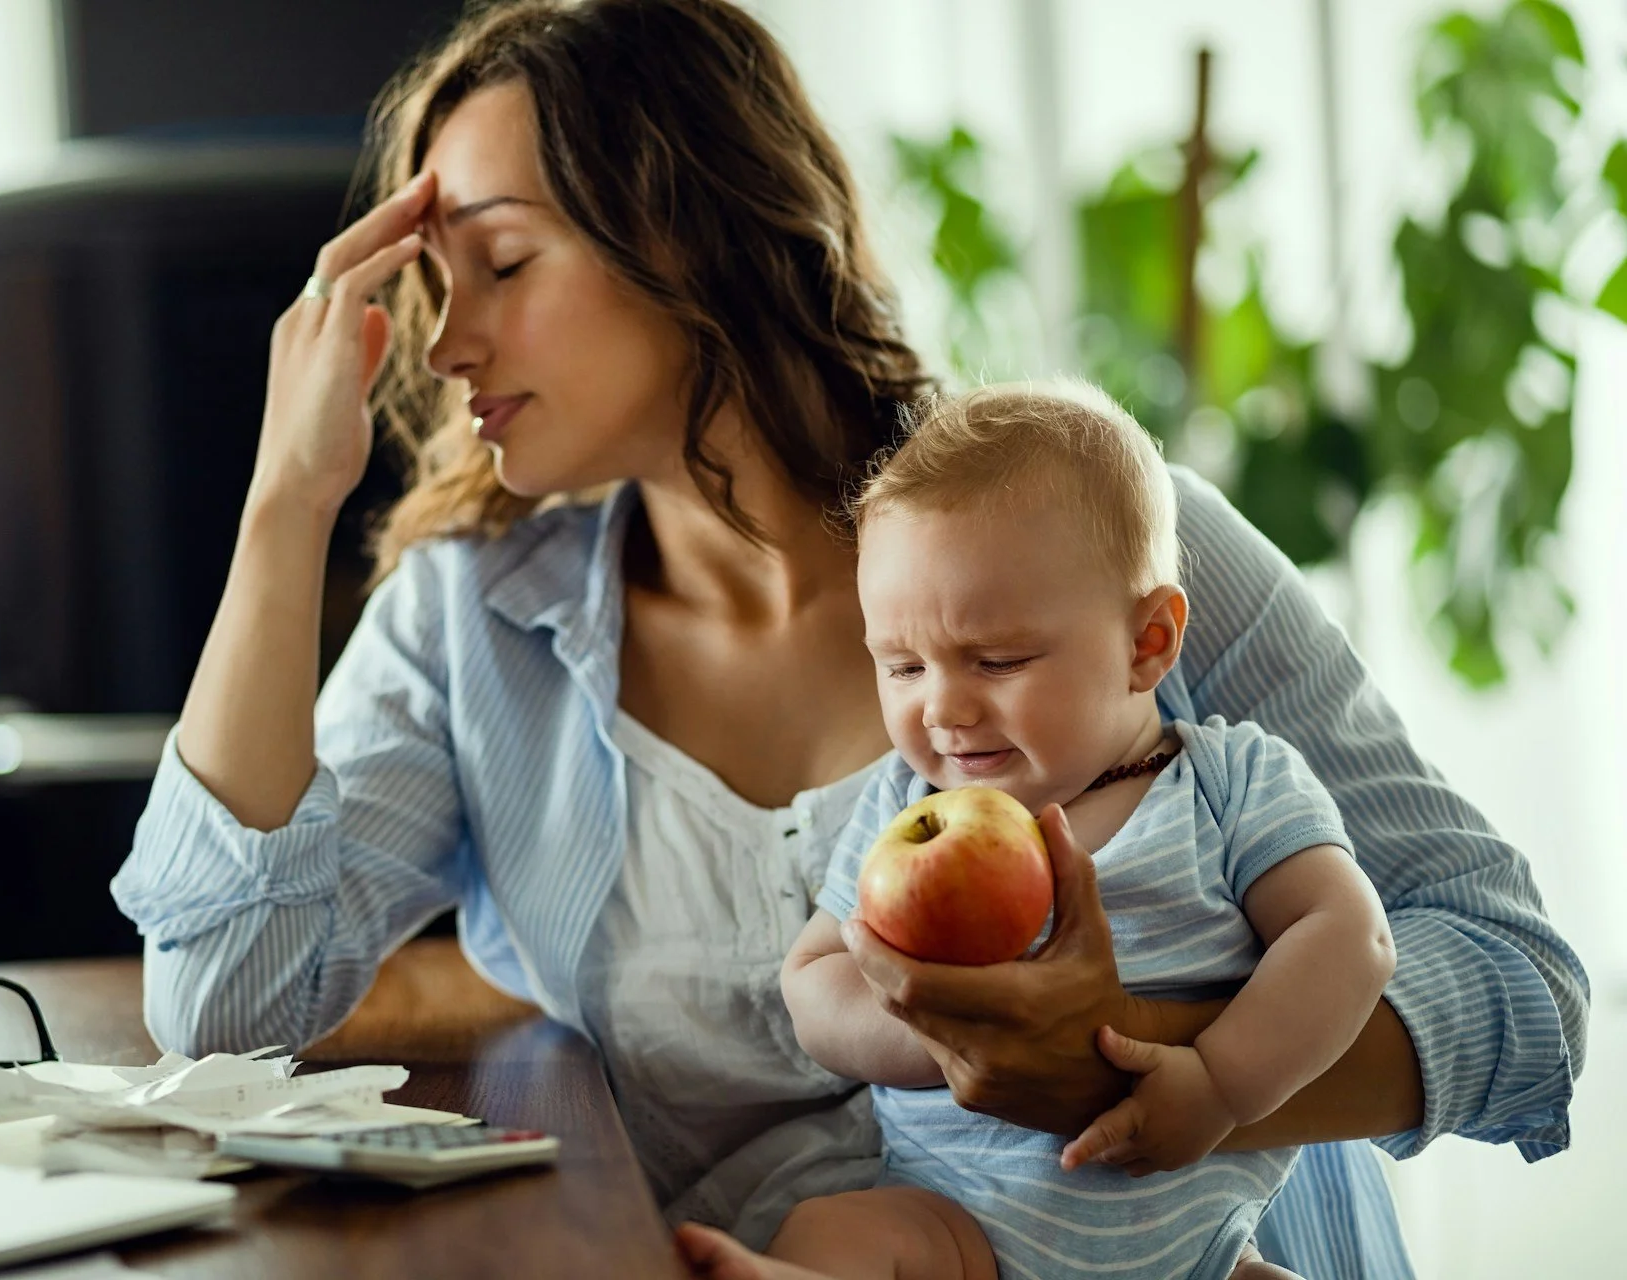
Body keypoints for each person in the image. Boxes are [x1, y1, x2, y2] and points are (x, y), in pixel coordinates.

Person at [107, 2, 1587, 1275]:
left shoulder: (1118, 547)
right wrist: (284, 503)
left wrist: (1145, 1061)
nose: (445, 346)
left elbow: (1520, 981)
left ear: (685, 227)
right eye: (437, 286)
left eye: (500, 264)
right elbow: (222, 1006)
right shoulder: (468, 628)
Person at [674, 383, 1396, 1280]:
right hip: (956, 1226)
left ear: (1148, 642)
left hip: (1195, 1253)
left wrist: (1221, 1081)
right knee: (839, 1235)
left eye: (997, 660)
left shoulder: (1229, 783)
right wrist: (946, 1034)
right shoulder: (908, 805)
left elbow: (1348, 935)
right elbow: (813, 977)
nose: (942, 708)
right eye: (902, 667)